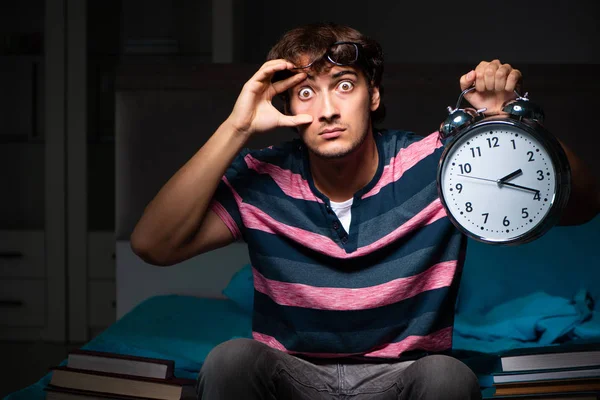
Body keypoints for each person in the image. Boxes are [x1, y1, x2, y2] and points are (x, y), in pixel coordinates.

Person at [130, 22, 600, 400]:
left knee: (448, 377)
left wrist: (508, 119)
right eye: (308, 93)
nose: (328, 110)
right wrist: (236, 127)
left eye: (344, 85)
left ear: (372, 96)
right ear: (289, 107)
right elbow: (153, 245)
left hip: (405, 377)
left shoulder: (441, 165)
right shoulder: (264, 176)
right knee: (230, 360)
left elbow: (582, 205)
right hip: (291, 378)